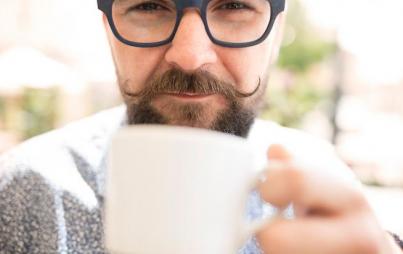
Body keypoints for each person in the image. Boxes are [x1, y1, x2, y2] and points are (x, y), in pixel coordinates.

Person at [0, 0, 402, 253]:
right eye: (148, 7)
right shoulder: (27, 190)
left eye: (233, 6)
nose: (190, 56)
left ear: (275, 34)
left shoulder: (320, 188)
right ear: (109, 32)